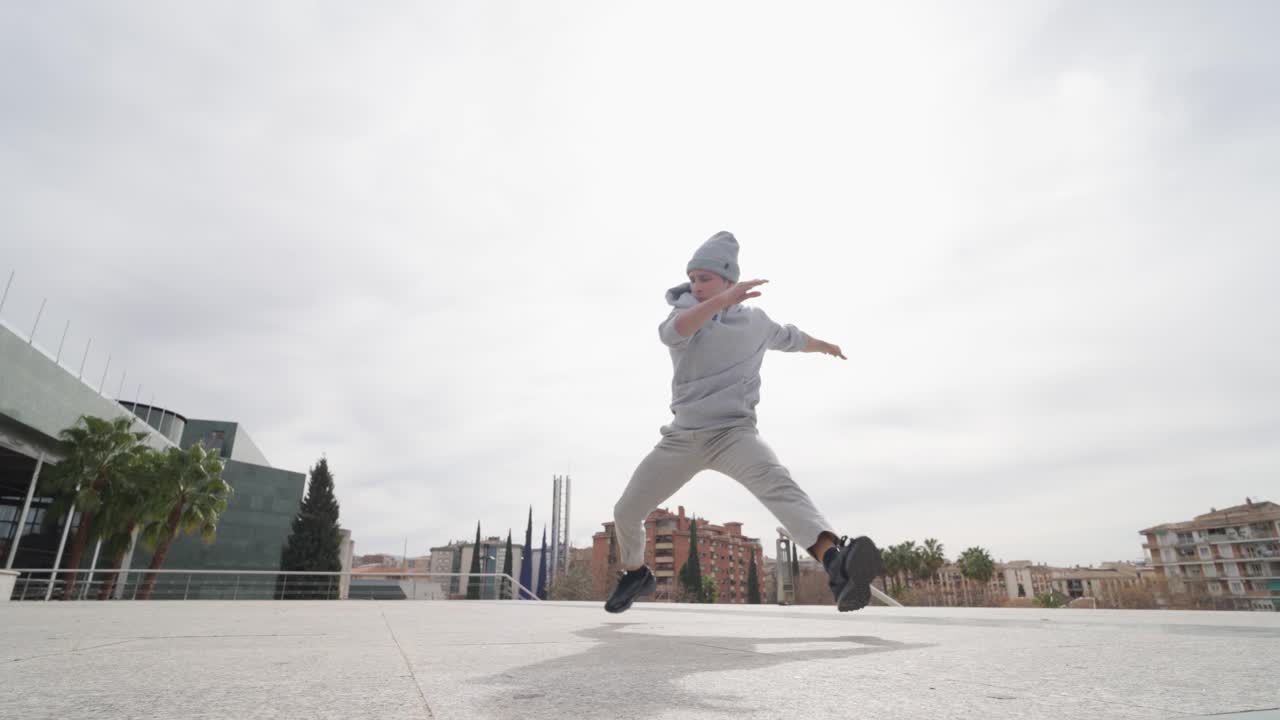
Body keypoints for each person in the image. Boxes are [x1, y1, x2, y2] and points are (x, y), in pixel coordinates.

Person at [605, 230, 883, 613]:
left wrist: (825, 346)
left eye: (706, 279)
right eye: (693, 278)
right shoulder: (684, 314)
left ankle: (836, 563)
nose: (696, 286)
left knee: (780, 487)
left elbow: (792, 337)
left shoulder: (755, 322)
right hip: (683, 437)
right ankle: (636, 574)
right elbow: (674, 333)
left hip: (734, 434)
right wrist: (719, 301)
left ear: (729, 278)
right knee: (626, 510)